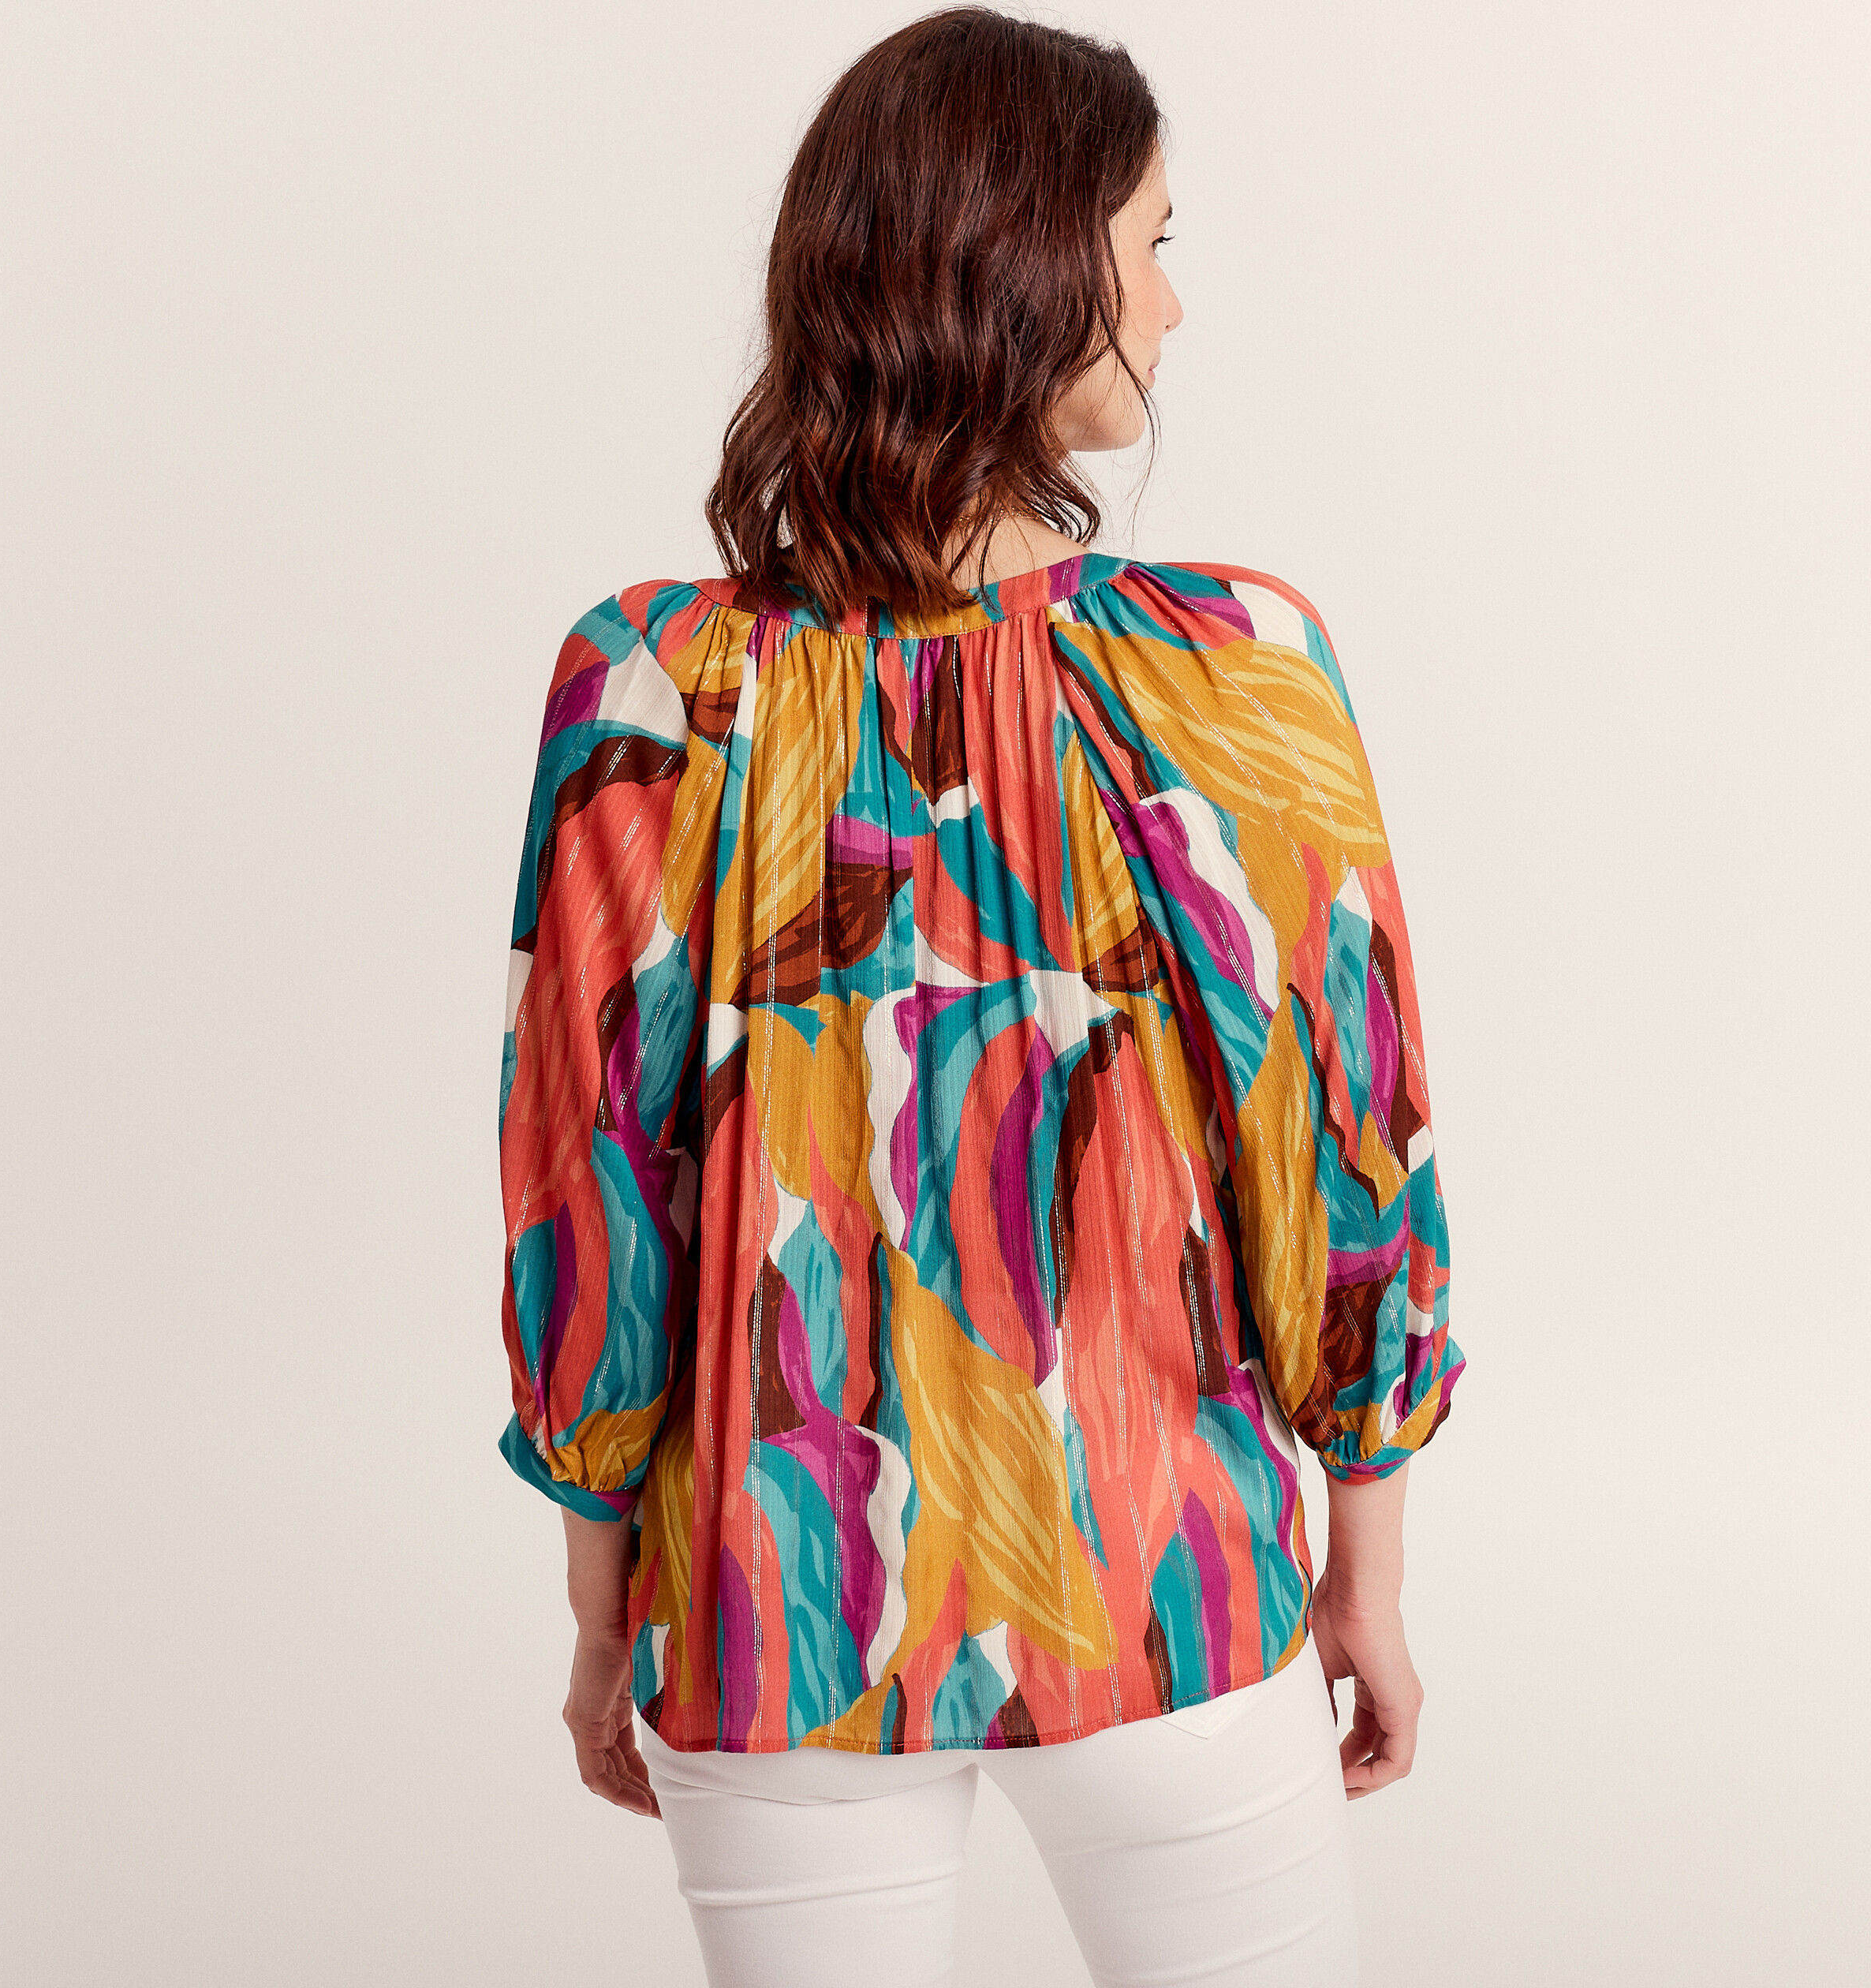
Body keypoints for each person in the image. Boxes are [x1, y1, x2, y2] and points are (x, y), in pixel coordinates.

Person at [495, 9, 1466, 1983]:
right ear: (1029, 270)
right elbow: (1342, 1137)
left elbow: (585, 1183)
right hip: (1169, 1589)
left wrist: (604, 1607)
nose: (1177, 309)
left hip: (773, 1617)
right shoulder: (1236, 667)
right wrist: (1364, 1561)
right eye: (1156, 244)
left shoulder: (649, 685)